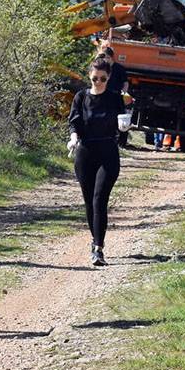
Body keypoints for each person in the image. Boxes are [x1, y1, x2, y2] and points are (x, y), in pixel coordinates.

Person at [68, 59, 124, 266]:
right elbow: (74, 122)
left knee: (100, 199)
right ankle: (94, 240)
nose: (98, 82)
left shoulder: (114, 98)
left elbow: (122, 122)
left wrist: (124, 128)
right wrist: (73, 138)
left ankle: (99, 249)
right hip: (85, 152)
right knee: (89, 201)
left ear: (108, 78)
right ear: (89, 77)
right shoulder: (81, 97)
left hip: (108, 151)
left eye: (103, 79)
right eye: (95, 78)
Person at [101, 45, 132, 147]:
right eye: (104, 57)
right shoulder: (103, 68)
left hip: (116, 96)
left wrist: (123, 94)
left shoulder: (119, 68)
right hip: (104, 95)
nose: (105, 59)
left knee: (120, 119)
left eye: (107, 57)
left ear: (111, 57)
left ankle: (121, 143)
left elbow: (125, 83)